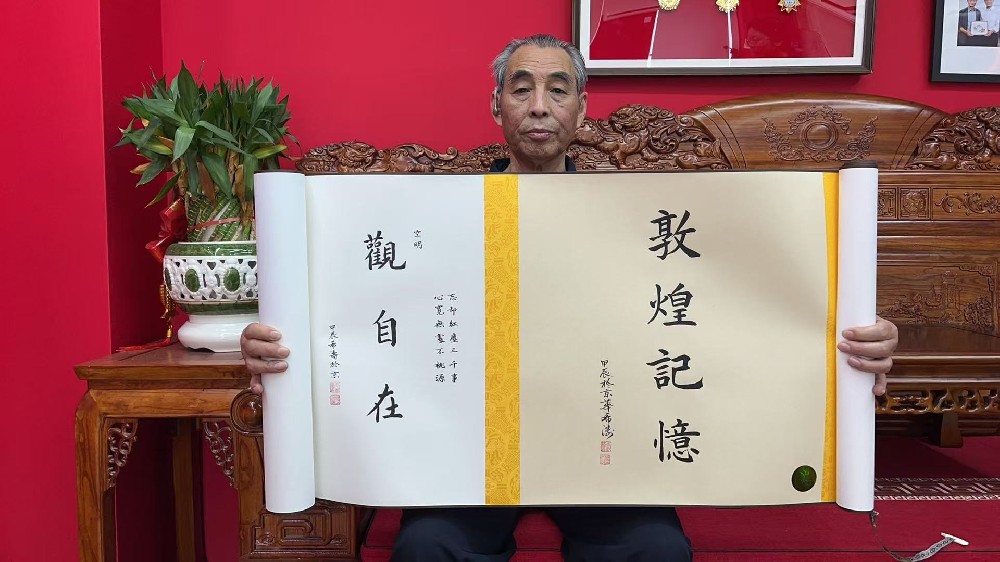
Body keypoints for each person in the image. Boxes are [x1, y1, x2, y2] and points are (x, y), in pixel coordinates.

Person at [241, 34, 900, 562]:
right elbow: (363, 321)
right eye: (521, 88)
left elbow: (741, 313)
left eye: (558, 90)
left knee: (657, 549)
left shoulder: (633, 219)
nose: (539, 106)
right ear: (496, 106)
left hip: (603, 446)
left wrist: (848, 350)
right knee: (427, 546)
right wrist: (279, 346)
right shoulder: (438, 217)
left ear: (581, 110)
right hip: (468, 451)